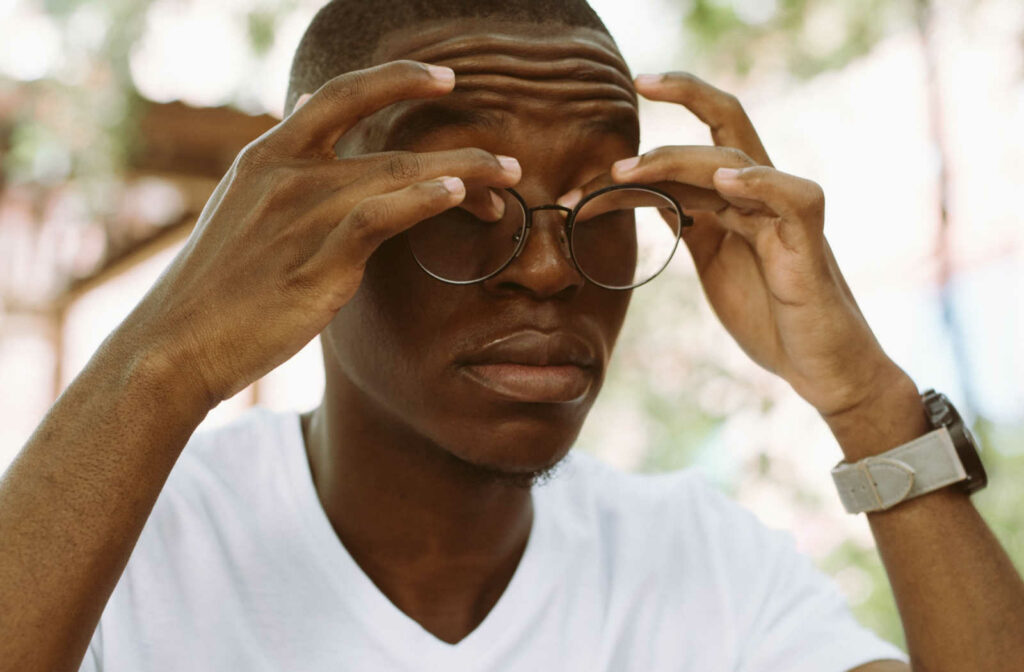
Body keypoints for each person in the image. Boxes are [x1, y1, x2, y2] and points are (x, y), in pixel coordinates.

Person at [2, 0, 1023, 669]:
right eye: (460, 196)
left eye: (601, 201)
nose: (548, 265)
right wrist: (162, 367)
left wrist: (866, 403)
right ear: (291, 226)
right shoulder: (124, 548)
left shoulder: (698, 566)